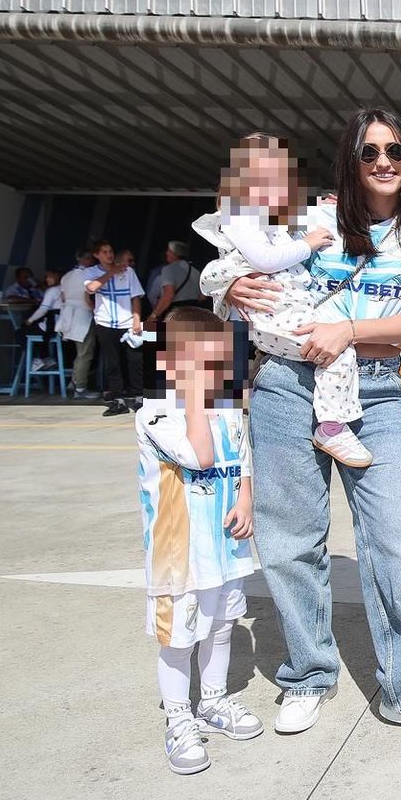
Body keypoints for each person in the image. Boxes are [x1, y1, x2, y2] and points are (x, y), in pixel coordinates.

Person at [222, 106, 401, 741]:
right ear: (352, 161)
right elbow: (239, 256)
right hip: (287, 384)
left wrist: (349, 330)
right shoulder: (314, 220)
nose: (384, 162)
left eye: (396, 151)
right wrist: (227, 288)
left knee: (398, 540)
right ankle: (309, 674)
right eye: (370, 152)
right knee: (290, 540)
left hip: (378, 390)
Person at [135, 306, 262, 774]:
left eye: (217, 362)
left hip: (225, 547)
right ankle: (178, 718)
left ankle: (213, 701)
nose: (214, 372)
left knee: (223, 625)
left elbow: (241, 457)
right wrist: (192, 399)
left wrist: (245, 500)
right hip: (181, 554)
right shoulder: (156, 413)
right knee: (179, 639)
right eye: (202, 363)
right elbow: (201, 456)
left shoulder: (225, 407)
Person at [196, 132, 371, 468]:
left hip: (280, 310)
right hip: (272, 312)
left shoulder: (267, 217)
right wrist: (309, 243)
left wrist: (325, 209)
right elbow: (264, 260)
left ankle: (330, 424)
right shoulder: (239, 214)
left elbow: (284, 235)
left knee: (334, 348)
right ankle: (332, 427)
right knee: (337, 352)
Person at [84, 239, 147, 416]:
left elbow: (136, 296)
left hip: (127, 322)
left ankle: (139, 397)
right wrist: (111, 272)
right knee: (112, 362)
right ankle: (118, 400)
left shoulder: (128, 271)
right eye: (104, 252)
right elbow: (91, 288)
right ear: (96, 255)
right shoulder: (90, 272)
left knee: (135, 361)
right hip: (105, 322)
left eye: (110, 251)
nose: (109, 255)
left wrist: (137, 319)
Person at [57, 248, 98, 397]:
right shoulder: (89, 276)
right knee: (85, 353)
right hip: (83, 315)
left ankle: (74, 381)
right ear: (88, 260)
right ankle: (80, 387)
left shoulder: (66, 276)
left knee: (79, 352)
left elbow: (63, 297)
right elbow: (88, 299)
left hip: (68, 315)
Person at [19, 269, 64, 369]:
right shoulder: (67, 289)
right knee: (38, 331)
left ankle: (35, 359)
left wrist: (29, 320)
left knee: (20, 333)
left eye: (49, 277)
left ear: (56, 277)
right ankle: (46, 358)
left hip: (52, 326)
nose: (46, 279)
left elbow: (43, 309)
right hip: (64, 327)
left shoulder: (52, 291)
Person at [148, 240, 201, 317]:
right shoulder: (196, 272)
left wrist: (154, 315)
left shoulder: (168, 269)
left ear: (176, 254)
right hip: (193, 313)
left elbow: (169, 295)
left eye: (169, 251)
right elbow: (202, 297)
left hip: (175, 314)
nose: (167, 253)